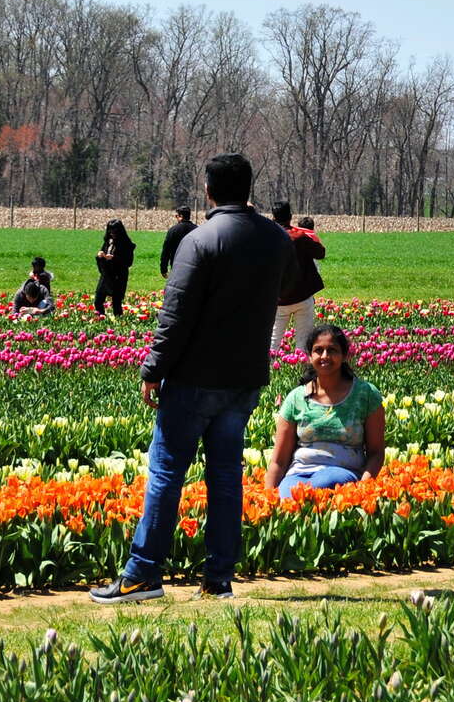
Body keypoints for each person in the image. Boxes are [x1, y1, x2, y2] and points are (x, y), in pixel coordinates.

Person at [91, 153, 297, 604]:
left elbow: (176, 314)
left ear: (208, 189)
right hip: (244, 376)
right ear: (249, 188)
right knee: (226, 476)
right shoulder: (276, 240)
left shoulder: (200, 240)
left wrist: (153, 369)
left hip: (195, 376)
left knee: (166, 473)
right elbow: (288, 288)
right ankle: (218, 579)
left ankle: (142, 575)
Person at [265, 325, 387, 499]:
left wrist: (363, 487)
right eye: (318, 350)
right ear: (310, 356)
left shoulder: (365, 395)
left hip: (343, 471)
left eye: (332, 350)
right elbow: (278, 461)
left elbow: (376, 453)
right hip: (298, 473)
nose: (324, 356)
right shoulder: (296, 398)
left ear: (344, 355)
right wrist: (267, 499)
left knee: (321, 484)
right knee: (288, 496)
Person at [270, 202, 327, 352]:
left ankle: (272, 366)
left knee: (273, 342)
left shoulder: (268, 239)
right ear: (290, 217)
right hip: (303, 296)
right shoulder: (300, 237)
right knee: (304, 341)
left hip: (279, 299)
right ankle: (301, 366)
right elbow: (321, 253)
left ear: (273, 218)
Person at [94, 218, 136, 316]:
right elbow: (102, 258)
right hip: (106, 275)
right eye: (110, 230)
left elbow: (128, 262)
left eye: (114, 230)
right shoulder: (108, 242)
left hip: (119, 276)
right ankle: (101, 318)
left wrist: (114, 258)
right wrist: (100, 256)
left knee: (116, 303)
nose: (112, 233)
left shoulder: (126, 244)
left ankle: (119, 321)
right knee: (98, 300)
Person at [159, 206, 197, 280]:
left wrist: (163, 269)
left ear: (181, 216)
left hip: (176, 266)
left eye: (176, 216)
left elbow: (166, 251)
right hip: (194, 266)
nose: (176, 217)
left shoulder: (173, 230)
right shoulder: (197, 229)